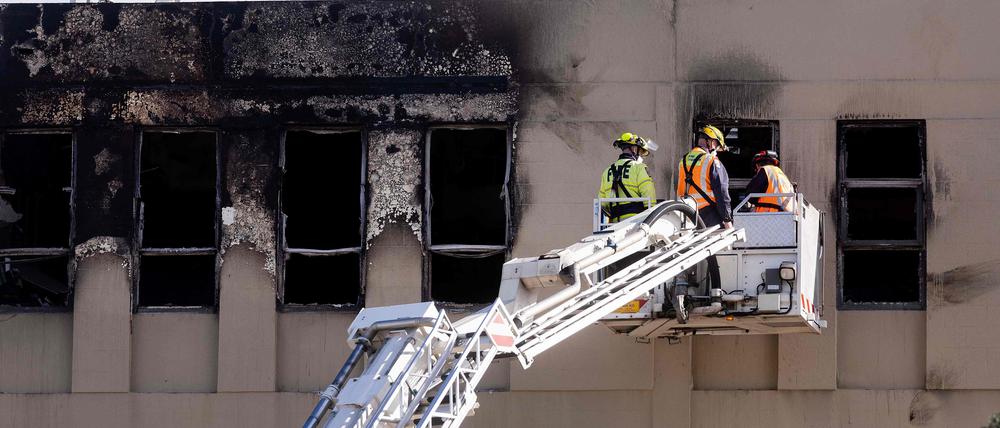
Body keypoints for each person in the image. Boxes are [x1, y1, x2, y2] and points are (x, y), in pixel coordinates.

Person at [675, 125, 732, 310]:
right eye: (716, 144)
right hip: (708, 213)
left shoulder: (683, 160)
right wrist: (727, 219)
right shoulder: (711, 161)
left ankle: (683, 286)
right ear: (711, 142)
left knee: (689, 251)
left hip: (687, 213)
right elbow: (722, 192)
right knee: (712, 252)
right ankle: (716, 293)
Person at [598, 132, 657, 223]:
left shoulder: (607, 171)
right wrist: (652, 218)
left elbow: (602, 203)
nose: (641, 156)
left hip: (614, 225)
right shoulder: (639, 167)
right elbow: (648, 193)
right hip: (636, 222)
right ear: (634, 149)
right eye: (640, 152)